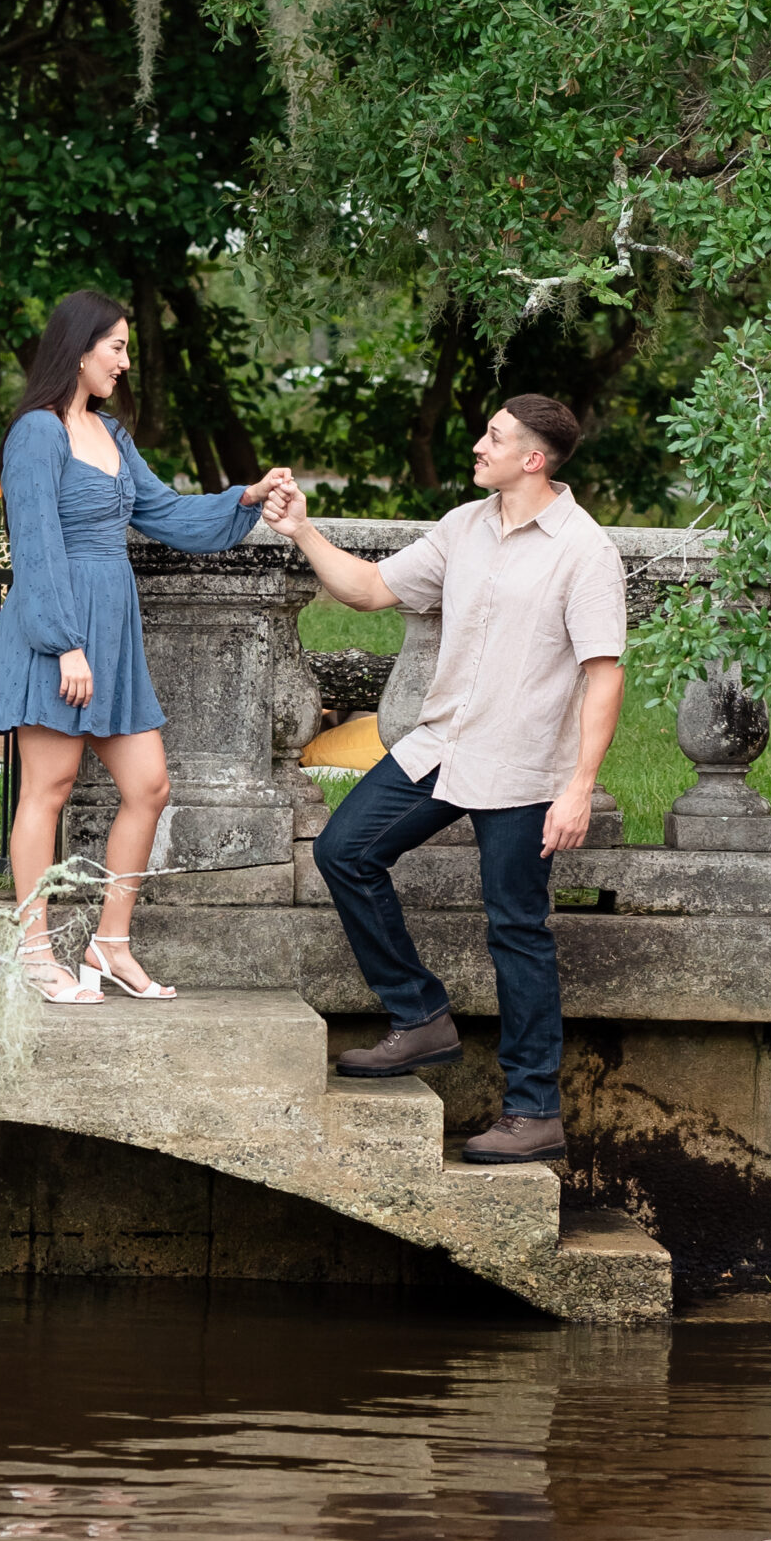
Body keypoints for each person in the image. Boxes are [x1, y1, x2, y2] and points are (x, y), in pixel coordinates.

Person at [262, 395, 625, 1166]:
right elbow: (366, 589)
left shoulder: (583, 550)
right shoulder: (465, 525)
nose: (477, 444)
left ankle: (534, 1111)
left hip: (525, 768)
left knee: (516, 932)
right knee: (345, 852)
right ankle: (420, 1014)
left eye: (493, 437)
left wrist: (578, 786)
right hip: (442, 748)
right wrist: (299, 529)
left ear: (533, 459)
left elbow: (604, 674)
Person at [0, 289, 292, 1002]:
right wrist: (65, 645)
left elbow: (166, 514)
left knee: (149, 786)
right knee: (47, 790)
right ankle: (32, 953)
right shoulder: (37, 433)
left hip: (112, 636)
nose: (124, 362)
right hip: (56, 634)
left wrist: (243, 497)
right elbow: (35, 545)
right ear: (79, 349)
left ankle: (109, 945)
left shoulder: (113, 436)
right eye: (116, 347)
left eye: (125, 349)